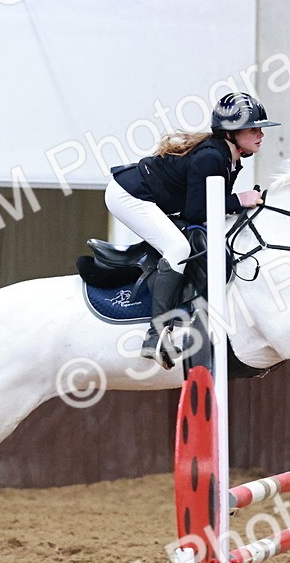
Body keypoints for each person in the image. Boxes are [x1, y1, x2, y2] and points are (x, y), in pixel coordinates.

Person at [105, 92, 279, 367]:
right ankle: (156, 335)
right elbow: (197, 212)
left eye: (260, 129)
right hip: (129, 195)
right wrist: (238, 200)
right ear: (231, 132)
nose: (261, 135)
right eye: (253, 129)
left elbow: (205, 211)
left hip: (148, 196)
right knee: (178, 247)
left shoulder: (229, 157)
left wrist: (236, 202)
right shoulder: (211, 157)